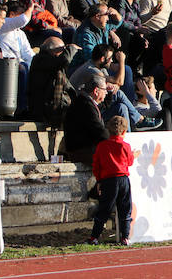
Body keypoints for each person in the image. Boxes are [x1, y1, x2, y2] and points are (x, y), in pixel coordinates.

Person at [88, 116, 133, 246]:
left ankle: (94, 236)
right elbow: (129, 161)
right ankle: (125, 236)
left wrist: (99, 180)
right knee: (125, 208)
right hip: (123, 179)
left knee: (104, 209)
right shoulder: (125, 146)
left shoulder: (102, 146)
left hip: (108, 180)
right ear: (124, 132)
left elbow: (96, 165)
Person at [29, 37, 79, 128]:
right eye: (62, 50)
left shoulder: (54, 63)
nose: (63, 52)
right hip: (43, 109)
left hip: (54, 106)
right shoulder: (40, 60)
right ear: (53, 50)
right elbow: (65, 60)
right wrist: (71, 49)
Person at [63, 74, 109, 165]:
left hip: (83, 147)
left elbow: (103, 106)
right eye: (105, 90)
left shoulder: (85, 101)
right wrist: (115, 141)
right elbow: (99, 130)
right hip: (81, 150)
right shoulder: (85, 105)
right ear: (96, 91)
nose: (106, 93)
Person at [70, 3, 123, 72]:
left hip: (101, 63)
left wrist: (116, 13)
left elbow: (118, 22)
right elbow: (91, 59)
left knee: (125, 70)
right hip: (84, 69)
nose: (108, 18)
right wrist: (113, 65)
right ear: (97, 16)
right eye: (106, 15)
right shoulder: (85, 34)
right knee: (124, 71)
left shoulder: (101, 25)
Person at [109, 0, 148, 68]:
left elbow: (137, 19)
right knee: (125, 35)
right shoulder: (120, 0)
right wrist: (137, 29)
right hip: (119, 31)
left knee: (144, 42)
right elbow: (120, 22)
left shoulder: (135, 2)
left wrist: (141, 33)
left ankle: (135, 69)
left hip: (132, 32)